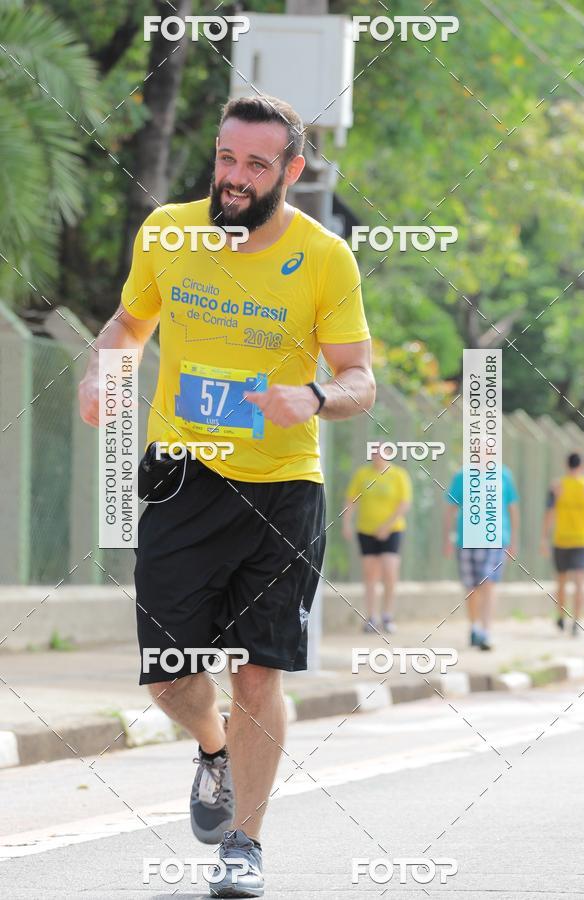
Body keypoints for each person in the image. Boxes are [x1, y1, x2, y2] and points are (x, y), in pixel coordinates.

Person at [78, 95, 374, 898]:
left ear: (291, 171)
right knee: (171, 677)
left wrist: (312, 396)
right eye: (226, 159)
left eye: (255, 165)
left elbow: (360, 379)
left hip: (283, 489)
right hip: (183, 479)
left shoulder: (324, 259)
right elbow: (128, 327)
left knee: (256, 672)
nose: (234, 179)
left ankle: (245, 844)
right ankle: (212, 750)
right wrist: (104, 371)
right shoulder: (169, 232)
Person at [443, 465, 519, 651]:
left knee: (488, 582)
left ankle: (486, 631)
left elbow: (513, 509)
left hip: (496, 539)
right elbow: (451, 509)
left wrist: (513, 541)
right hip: (467, 538)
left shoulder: (504, 476)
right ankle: (474, 627)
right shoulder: (461, 476)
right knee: (471, 587)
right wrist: (447, 538)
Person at [343, 443, 412, 633]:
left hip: (392, 530)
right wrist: (346, 522)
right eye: (373, 452)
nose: (376, 455)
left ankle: (388, 615)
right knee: (370, 573)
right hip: (366, 530)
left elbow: (404, 503)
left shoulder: (398, 475)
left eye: (381, 451)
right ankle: (371, 617)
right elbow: (351, 499)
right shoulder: (362, 474)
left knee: (390, 570)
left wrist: (387, 526)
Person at [541, 452, 584, 636]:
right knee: (580, 582)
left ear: (566, 465)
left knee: (561, 581)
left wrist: (544, 537)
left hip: (561, 539)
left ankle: (560, 616)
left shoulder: (557, 486)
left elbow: (549, 513)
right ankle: (576, 621)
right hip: (583, 540)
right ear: (582, 466)